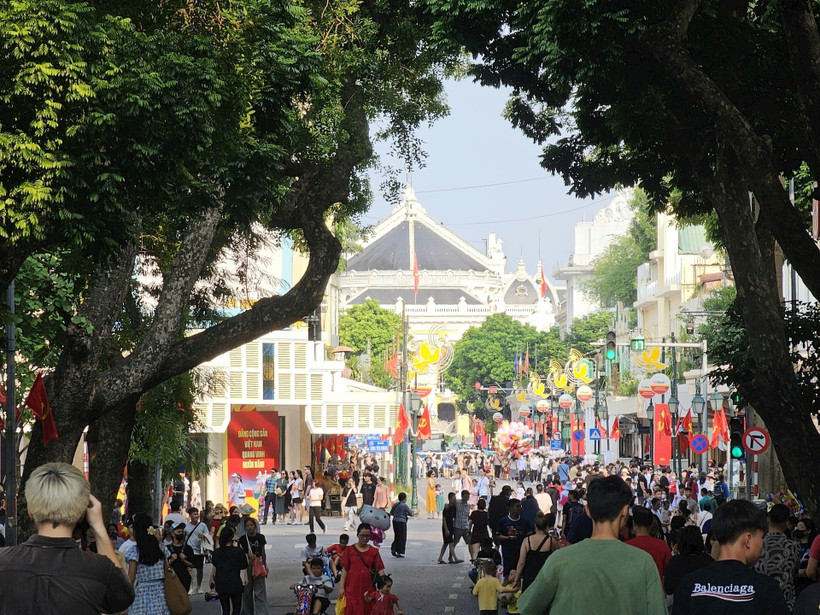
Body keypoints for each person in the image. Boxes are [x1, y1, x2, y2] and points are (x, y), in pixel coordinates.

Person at [517, 475, 667, 615]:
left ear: (588, 510)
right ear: (625, 512)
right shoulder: (644, 562)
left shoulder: (559, 560)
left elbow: (527, 607)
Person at [0, 462, 134, 615]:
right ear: (82, 513)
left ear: (30, 509)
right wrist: (98, 527)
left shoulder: (3, 562)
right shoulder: (98, 569)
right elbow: (122, 598)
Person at [671, 499, 787, 614]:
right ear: (747, 540)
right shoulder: (766, 589)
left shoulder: (688, 585)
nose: (762, 544)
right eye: (761, 538)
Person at [753, 503, 802, 612]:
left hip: (760, 602)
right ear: (787, 523)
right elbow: (795, 571)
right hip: (786, 603)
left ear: (768, 519)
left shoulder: (757, 545)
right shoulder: (793, 547)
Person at [125, 512, 170, 615]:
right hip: (161, 593)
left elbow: (131, 578)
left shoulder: (135, 551)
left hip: (141, 594)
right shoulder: (161, 548)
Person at [340, 523, 386, 615]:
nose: (365, 538)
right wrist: (341, 588)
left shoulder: (374, 551)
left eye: (367, 536)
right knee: (351, 609)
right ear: (357, 535)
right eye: (362, 536)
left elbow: (380, 569)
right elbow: (345, 570)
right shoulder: (349, 550)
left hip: (368, 587)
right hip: (351, 587)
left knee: (367, 610)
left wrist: (385, 586)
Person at [626, 505, 672, 586]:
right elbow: (669, 572)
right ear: (651, 524)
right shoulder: (662, 545)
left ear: (634, 524)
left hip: (632, 592)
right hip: (657, 591)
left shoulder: (626, 547)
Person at [515, 512, 560, 592]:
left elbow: (521, 562)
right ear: (547, 526)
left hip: (529, 576)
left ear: (535, 525)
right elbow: (558, 559)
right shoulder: (552, 541)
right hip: (545, 577)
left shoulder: (527, 541)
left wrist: (516, 579)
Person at [664, 525, 714, 597]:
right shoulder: (709, 561)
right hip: (705, 603)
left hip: (680, 603)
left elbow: (669, 588)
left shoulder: (675, 562)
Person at [210, 526, 248, 615]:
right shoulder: (238, 551)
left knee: (225, 609)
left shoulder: (216, 553)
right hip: (235, 582)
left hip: (221, 582)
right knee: (236, 607)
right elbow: (244, 565)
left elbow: (215, 564)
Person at [496, 498, 532, 580]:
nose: (520, 508)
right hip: (508, 553)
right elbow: (498, 536)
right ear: (510, 508)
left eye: (520, 506)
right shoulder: (503, 521)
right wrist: (507, 538)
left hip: (521, 553)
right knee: (508, 575)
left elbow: (528, 536)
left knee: (521, 575)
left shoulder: (525, 522)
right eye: (517, 506)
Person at [238, 517, 268, 615]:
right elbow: (241, 554)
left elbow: (263, 552)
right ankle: (246, 612)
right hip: (247, 566)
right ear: (245, 527)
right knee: (247, 591)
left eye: (251, 525)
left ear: (255, 526)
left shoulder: (260, 537)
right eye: (247, 526)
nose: (250, 527)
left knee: (260, 591)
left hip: (258, 564)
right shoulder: (242, 539)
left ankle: (262, 612)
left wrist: (265, 564)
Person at [184, 506, 209, 594]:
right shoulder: (186, 527)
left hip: (200, 550)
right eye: (194, 514)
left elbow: (208, 535)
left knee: (199, 569)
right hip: (190, 550)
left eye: (197, 514)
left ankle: (199, 585)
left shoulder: (202, 525)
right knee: (190, 569)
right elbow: (184, 538)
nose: (196, 516)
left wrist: (204, 536)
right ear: (190, 515)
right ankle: (190, 587)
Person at [167, 522, 195, 592]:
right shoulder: (167, 549)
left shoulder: (187, 548)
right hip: (172, 579)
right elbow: (164, 565)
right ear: (173, 534)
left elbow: (193, 564)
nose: (181, 534)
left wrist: (184, 560)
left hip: (184, 578)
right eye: (178, 532)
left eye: (182, 532)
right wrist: (171, 560)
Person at [390, 492, 413, 558]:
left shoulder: (395, 504)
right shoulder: (404, 505)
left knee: (397, 535)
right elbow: (411, 513)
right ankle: (399, 551)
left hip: (395, 521)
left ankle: (394, 547)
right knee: (402, 537)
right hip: (402, 522)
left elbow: (391, 512)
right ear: (405, 498)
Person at [438, 492, 459, 564]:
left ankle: (440, 558)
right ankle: (455, 558)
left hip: (451, 526)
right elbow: (444, 519)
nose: (455, 500)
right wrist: (446, 529)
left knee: (446, 543)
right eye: (453, 498)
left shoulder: (454, 507)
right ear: (450, 499)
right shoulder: (446, 508)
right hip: (446, 527)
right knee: (451, 543)